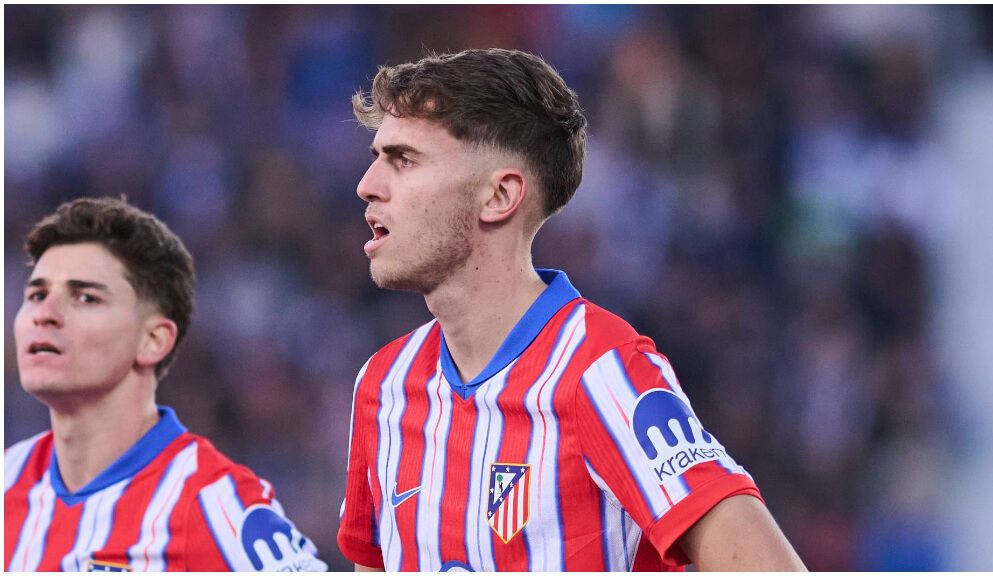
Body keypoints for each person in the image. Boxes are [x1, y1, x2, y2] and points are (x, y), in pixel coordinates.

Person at [336, 48, 806, 572]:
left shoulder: (604, 373)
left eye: (403, 160)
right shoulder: (382, 386)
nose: (367, 185)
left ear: (499, 196)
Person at [5, 197, 327, 572]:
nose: (45, 314)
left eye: (85, 297)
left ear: (153, 340)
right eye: (37, 295)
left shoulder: (214, 501)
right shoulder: (7, 478)